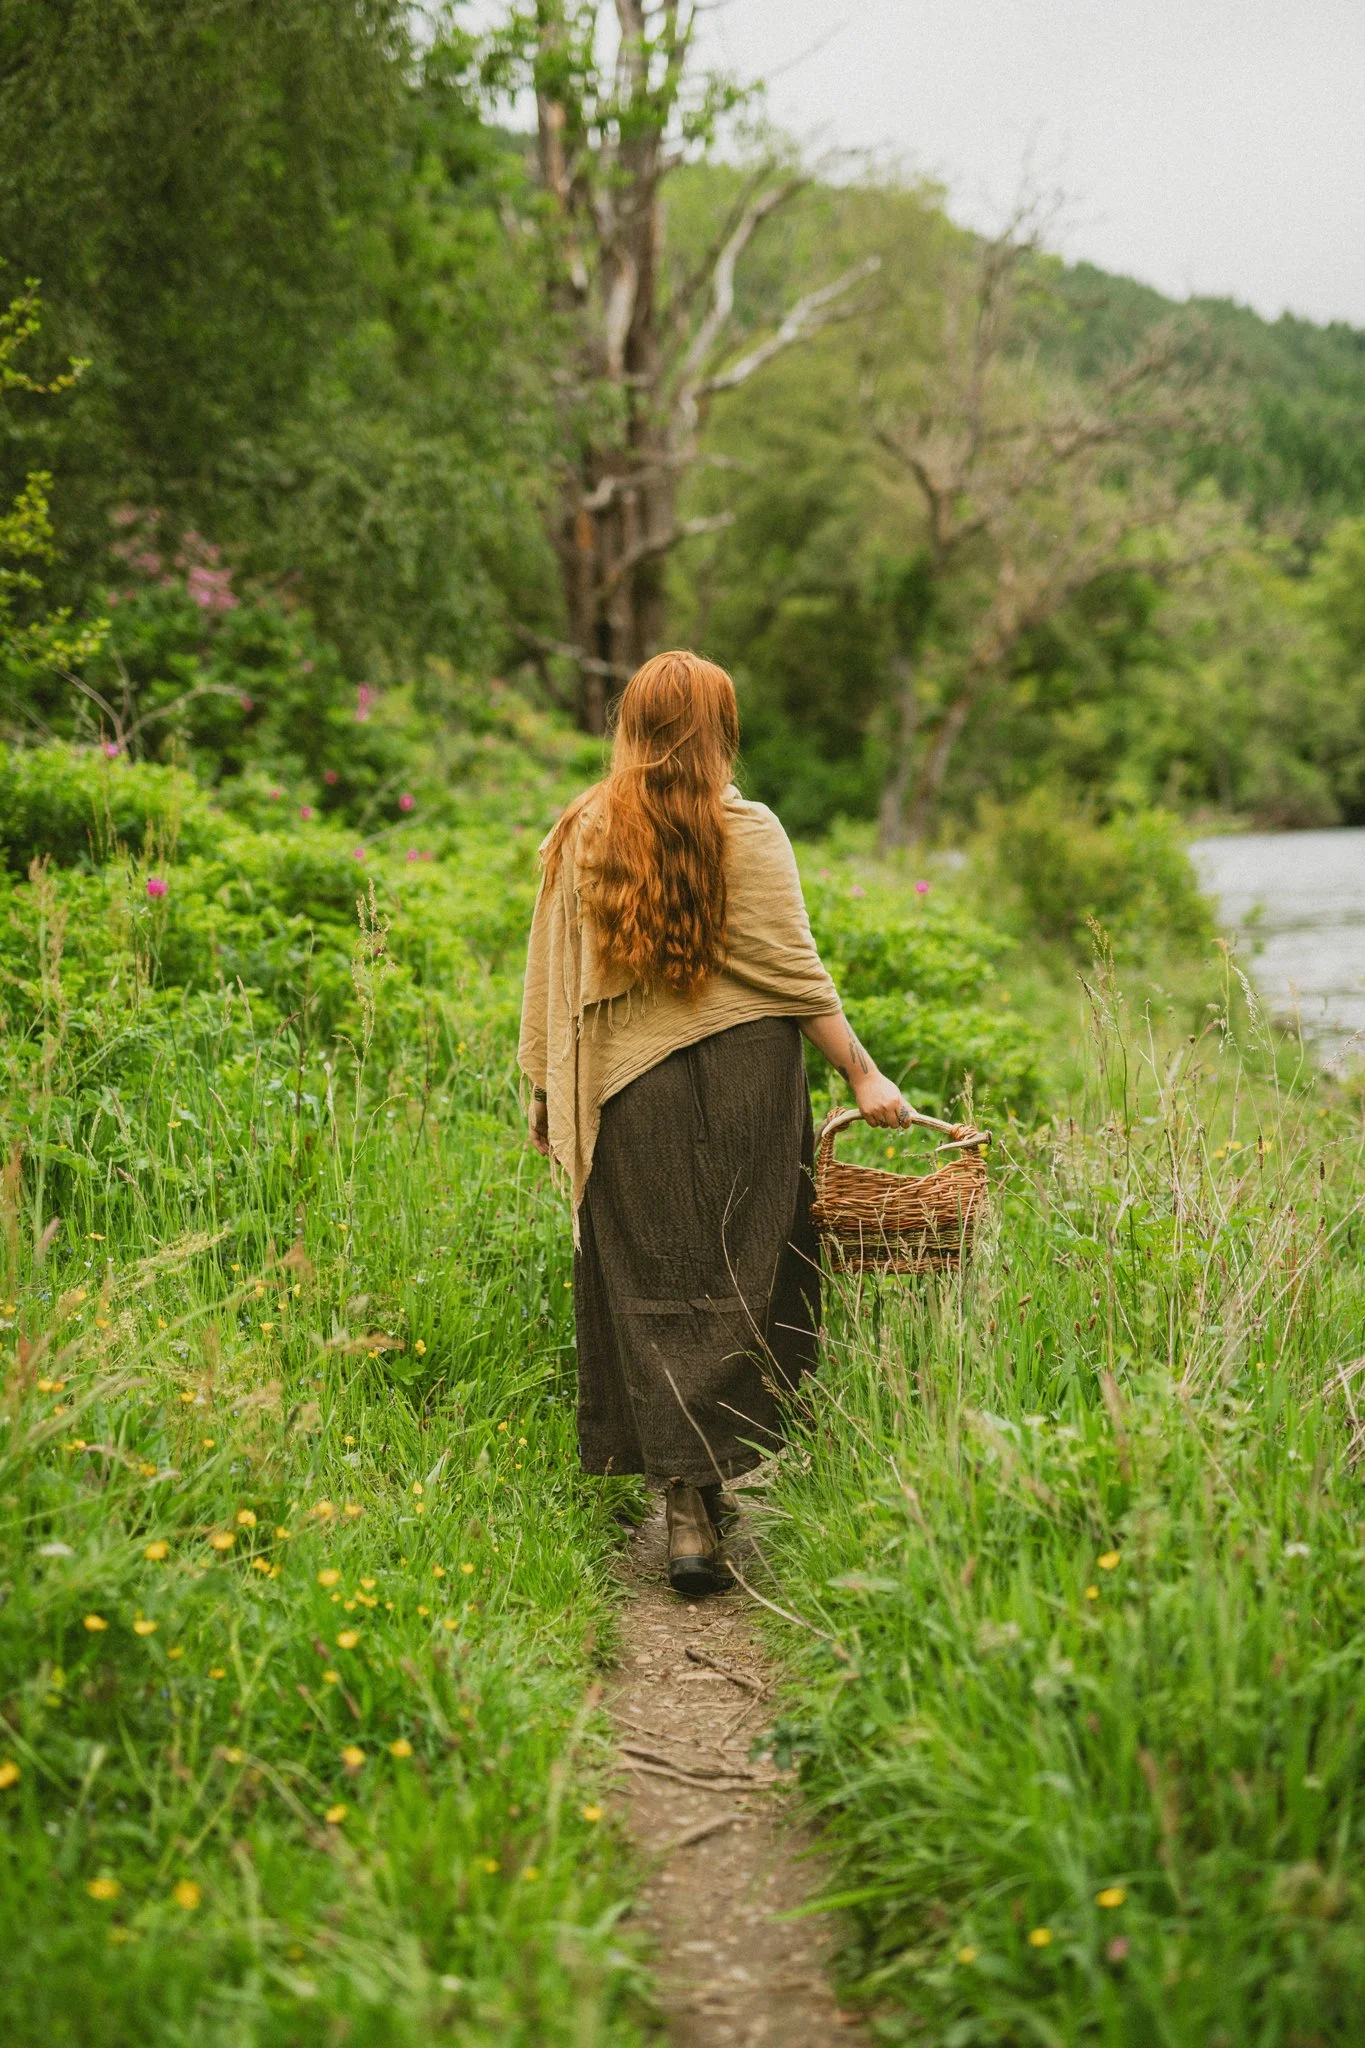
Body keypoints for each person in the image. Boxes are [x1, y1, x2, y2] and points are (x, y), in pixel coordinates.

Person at [518, 650, 909, 1595]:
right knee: (745, 1272)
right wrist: (863, 1077)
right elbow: (796, 976)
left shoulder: (583, 830)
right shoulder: (753, 829)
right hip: (751, 1085)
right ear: (716, 730)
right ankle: (711, 1481)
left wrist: (547, 1094)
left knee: (647, 1282)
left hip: (627, 1090)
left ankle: (685, 1507)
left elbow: (553, 982)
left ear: (637, 728)